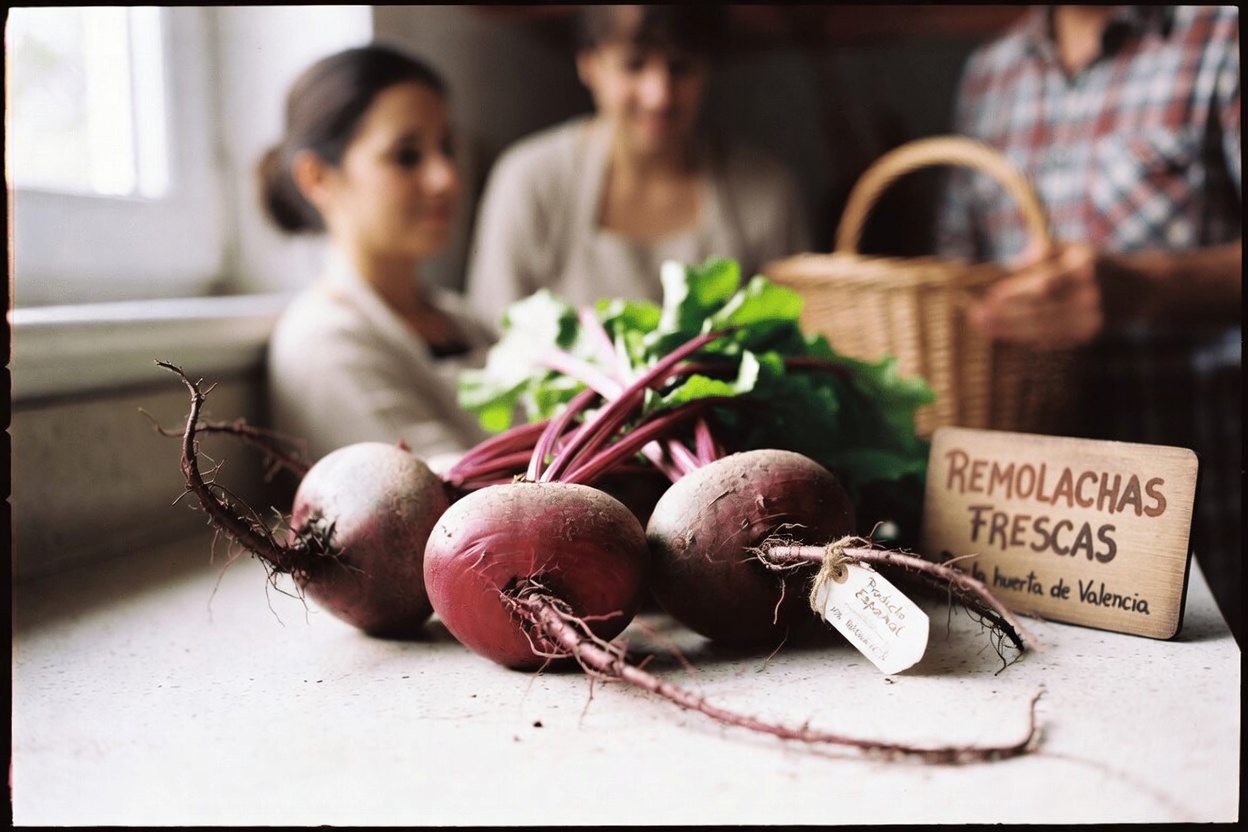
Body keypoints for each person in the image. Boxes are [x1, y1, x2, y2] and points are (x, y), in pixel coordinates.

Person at [935, 6, 1241, 635]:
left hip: (1201, 485)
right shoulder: (991, 73)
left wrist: (1139, 289)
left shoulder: (1220, 35)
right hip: (1034, 509)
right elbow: (953, 267)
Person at [464, 4, 811, 326]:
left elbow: (796, 334)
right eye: (634, 64)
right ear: (590, 65)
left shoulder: (768, 194)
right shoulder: (528, 182)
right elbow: (495, 343)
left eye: (681, 67)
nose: (659, 94)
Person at [260, 45, 494, 468]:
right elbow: (448, 500)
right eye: (406, 156)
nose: (446, 178)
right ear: (317, 178)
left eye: (446, 148)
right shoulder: (323, 343)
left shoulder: (465, 321)